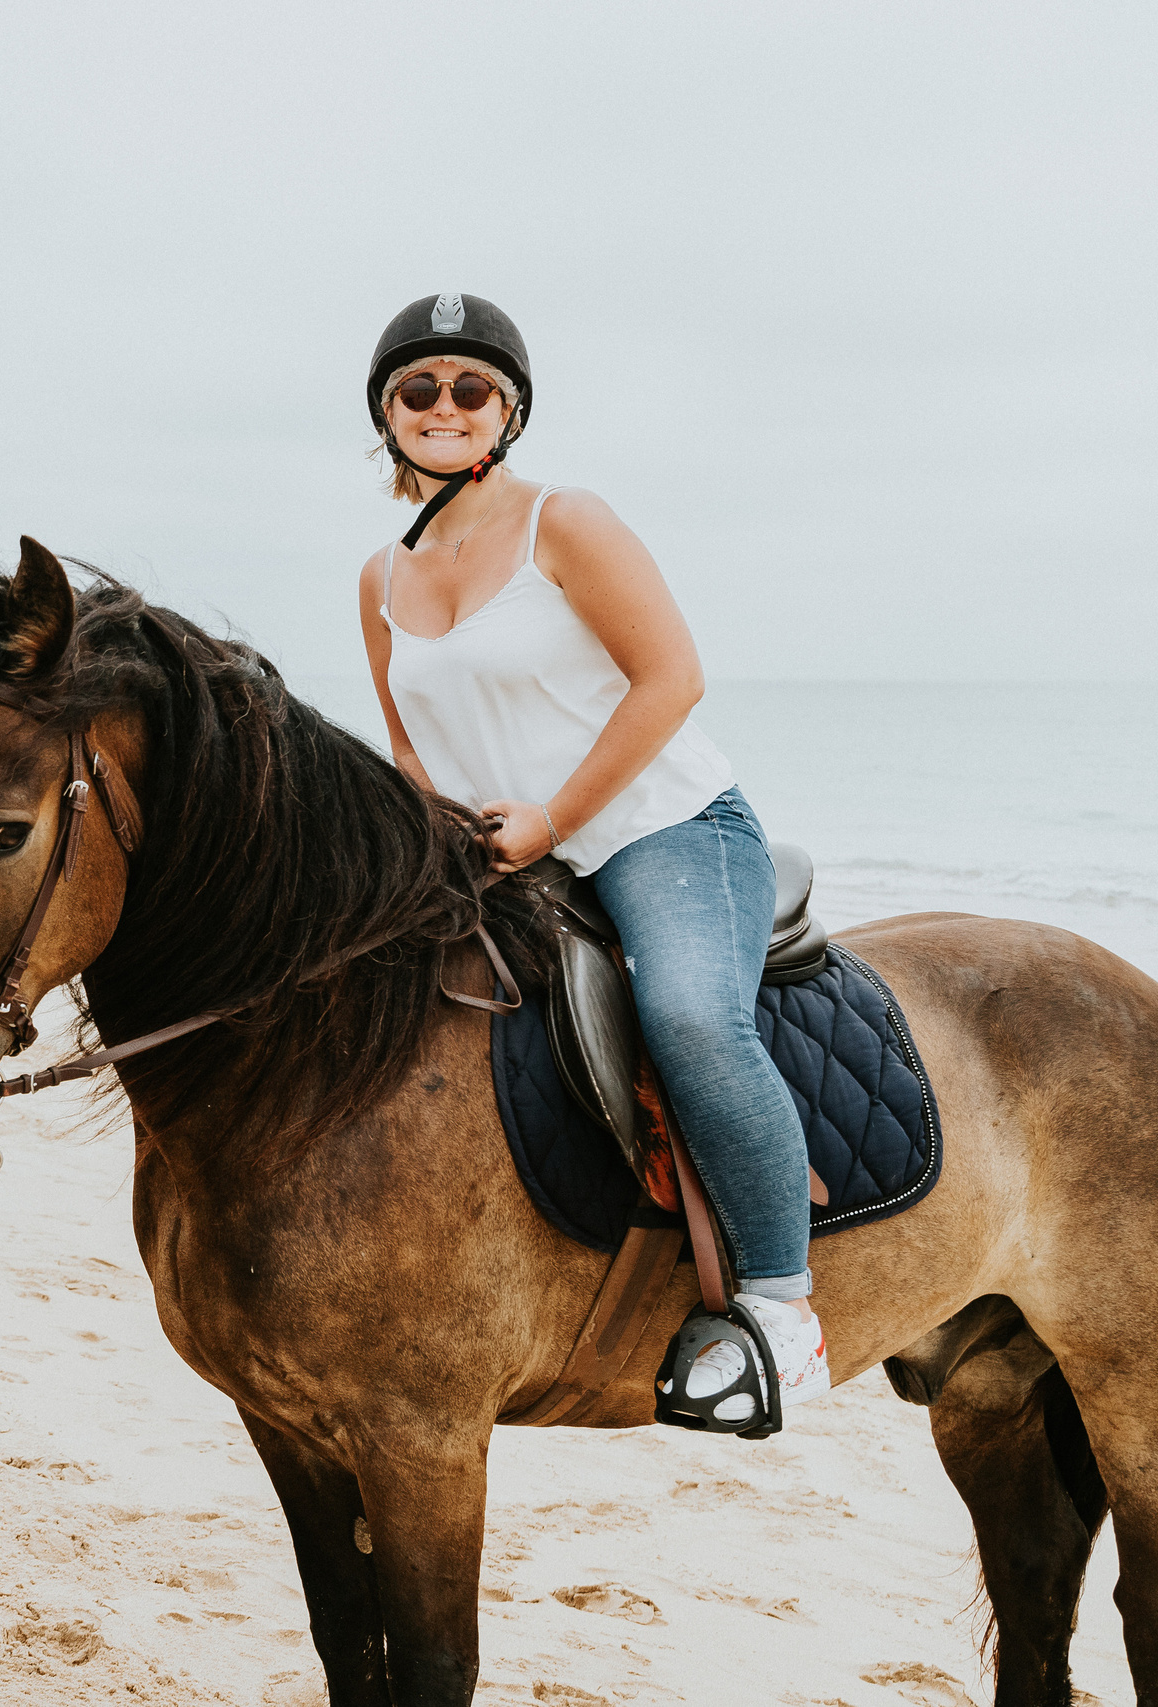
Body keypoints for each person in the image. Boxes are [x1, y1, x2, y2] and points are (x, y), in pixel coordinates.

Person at [353, 293, 828, 1428]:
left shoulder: (565, 521)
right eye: (418, 389)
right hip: (501, 858)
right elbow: (410, 744)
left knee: (690, 1020)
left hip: (661, 830)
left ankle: (780, 1310)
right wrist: (436, 838)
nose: (444, 406)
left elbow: (671, 678)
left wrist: (554, 821)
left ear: (507, 409)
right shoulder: (379, 578)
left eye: (471, 387)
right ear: (387, 416)